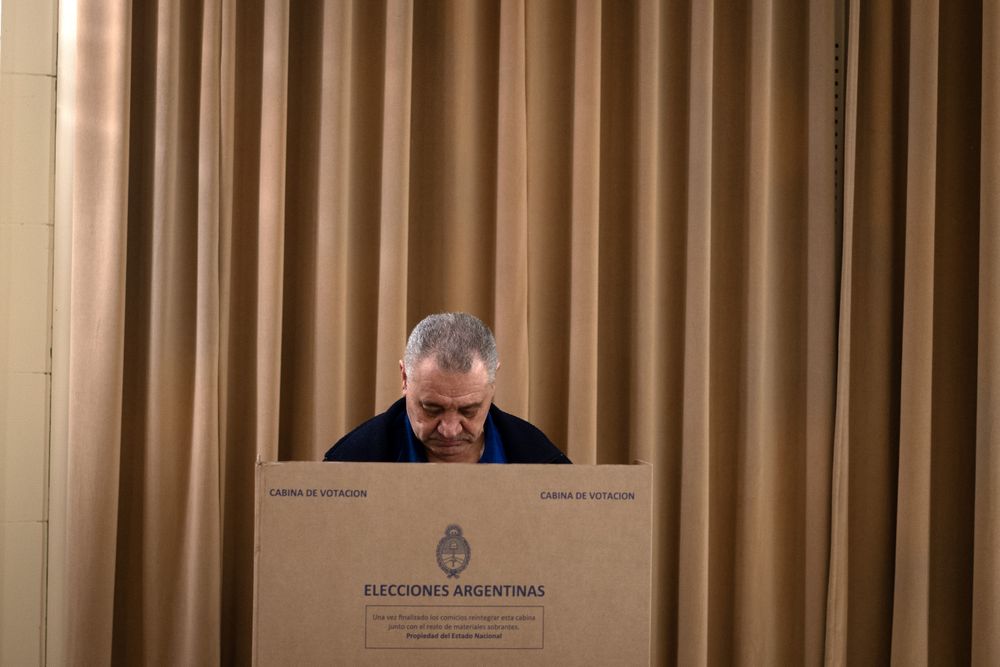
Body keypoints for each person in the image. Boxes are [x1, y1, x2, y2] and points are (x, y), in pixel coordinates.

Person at [323, 312, 570, 464]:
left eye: (469, 410)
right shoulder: (348, 465)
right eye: (432, 409)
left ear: (493, 383)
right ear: (405, 378)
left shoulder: (544, 464)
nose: (450, 430)